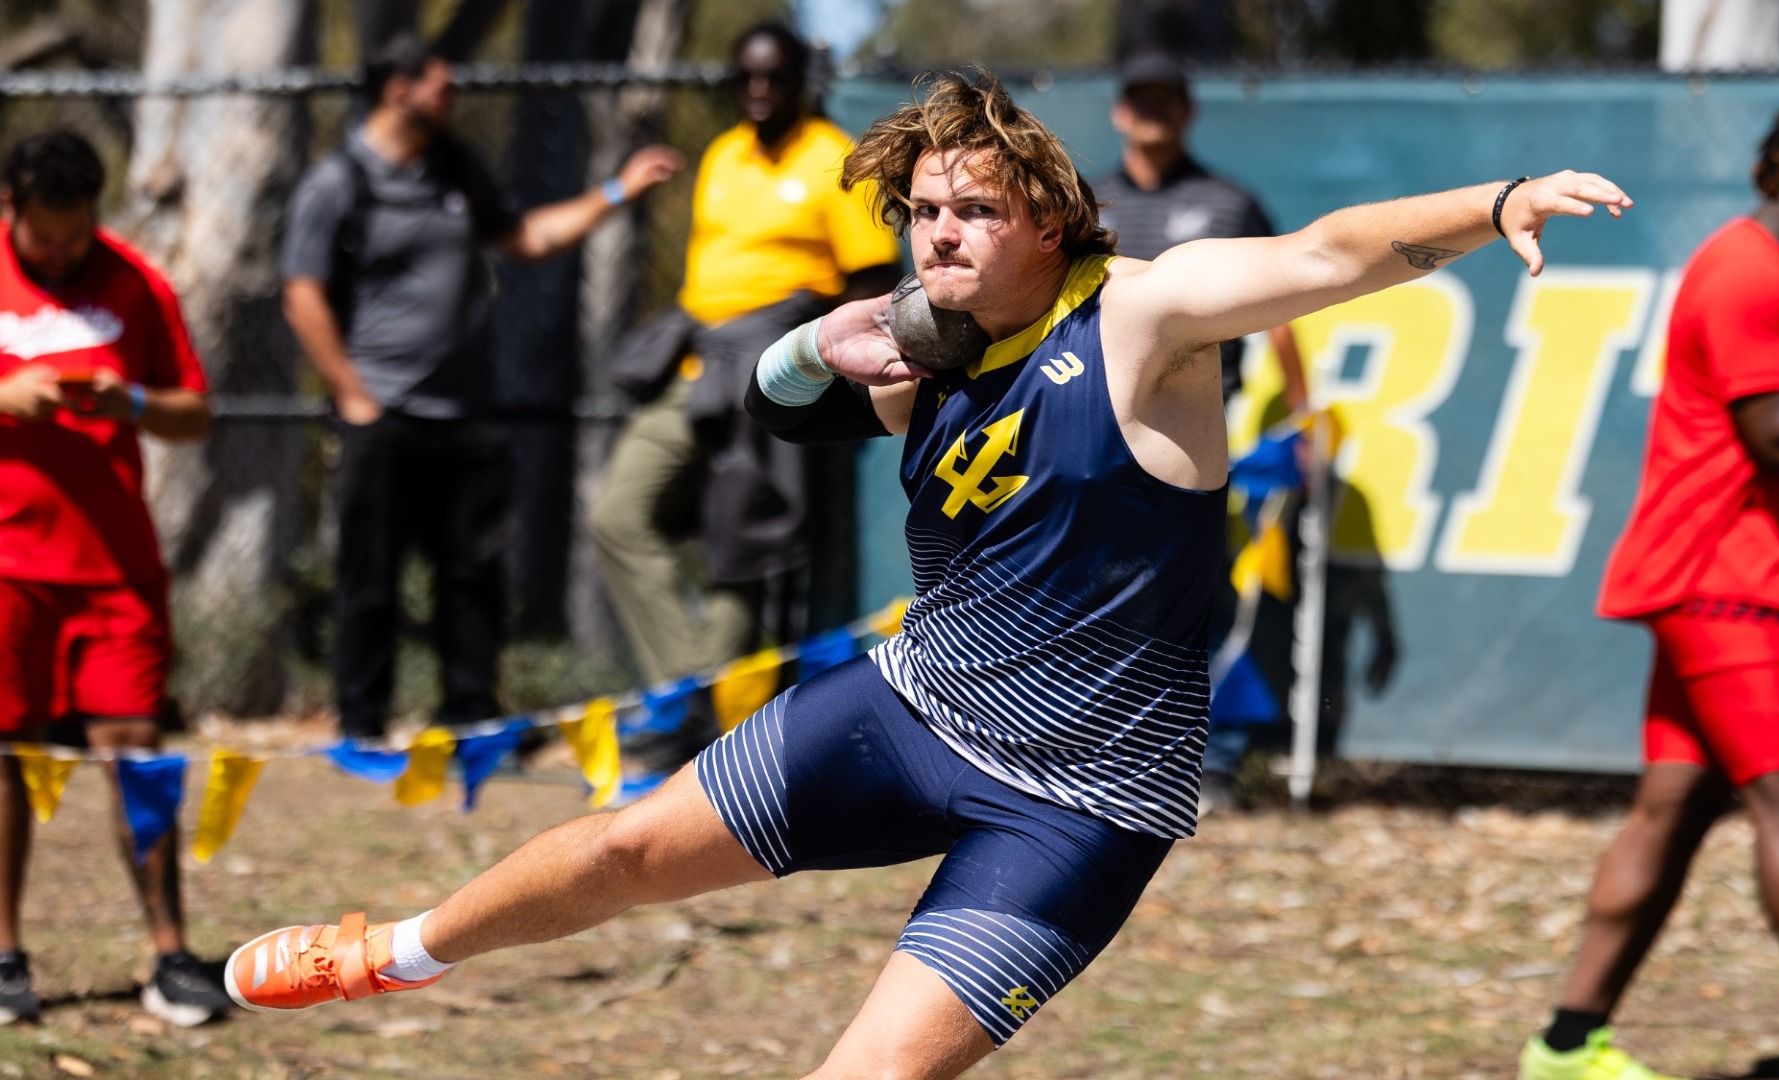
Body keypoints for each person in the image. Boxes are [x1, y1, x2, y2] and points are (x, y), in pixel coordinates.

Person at [225, 69, 1628, 1079]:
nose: (940, 232)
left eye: (973, 211)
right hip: (903, 713)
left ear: (1048, 218)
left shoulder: (1144, 313)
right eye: (921, 212)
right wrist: (812, 347)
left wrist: (1493, 198)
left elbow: (1328, 254)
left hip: (1078, 805)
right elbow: (780, 396)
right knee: (617, 847)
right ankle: (391, 950)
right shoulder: (922, 344)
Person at [1518, 98, 1779, 1080]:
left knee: (1675, 808)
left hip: (1737, 578)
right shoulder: (1744, 269)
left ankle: (1567, 1046)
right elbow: (1776, 431)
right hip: (1728, 586)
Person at [281, 32, 682, 739]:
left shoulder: (456, 170)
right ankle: (361, 726)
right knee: (368, 579)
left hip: (467, 413)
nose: (454, 94)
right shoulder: (339, 182)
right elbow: (302, 294)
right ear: (398, 90)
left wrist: (619, 189)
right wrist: (350, 392)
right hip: (383, 412)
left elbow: (527, 237)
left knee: (472, 578)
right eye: (442, 82)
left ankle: (470, 724)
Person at [589, 21, 897, 752]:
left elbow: (874, 279)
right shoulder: (723, 154)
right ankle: (690, 692)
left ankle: (708, 731)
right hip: (695, 370)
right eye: (746, 79)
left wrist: (814, 360)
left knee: (743, 549)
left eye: (775, 79)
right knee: (617, 514)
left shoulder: (835, 160)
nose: (759, 93)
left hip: (777, 375)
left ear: (800, 83)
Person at [0, 130, 228, 1026]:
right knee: (6, 753)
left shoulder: (133, 281)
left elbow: (195, 413)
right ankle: (6, 956)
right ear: (10, 208)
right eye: (45, 239)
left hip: (115, 567)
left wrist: (123, 399)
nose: (62, 252)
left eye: (76, 231)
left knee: (135, 749)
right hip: (8, 563)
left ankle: (170, 954)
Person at [1091, 51, 1314, 812]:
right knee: (1099, 593)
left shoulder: (1228, 204)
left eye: (1167, 98)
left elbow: (1280, 307)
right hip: (1094, 427)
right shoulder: (1085, 205)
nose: (1152, 111)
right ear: (1120, 109)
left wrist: (1303, 417)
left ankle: (1210, 763)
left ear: (1188, 110)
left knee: (1200, 597)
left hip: (1194, 435)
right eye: (1139, 98)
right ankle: (1103, 754)